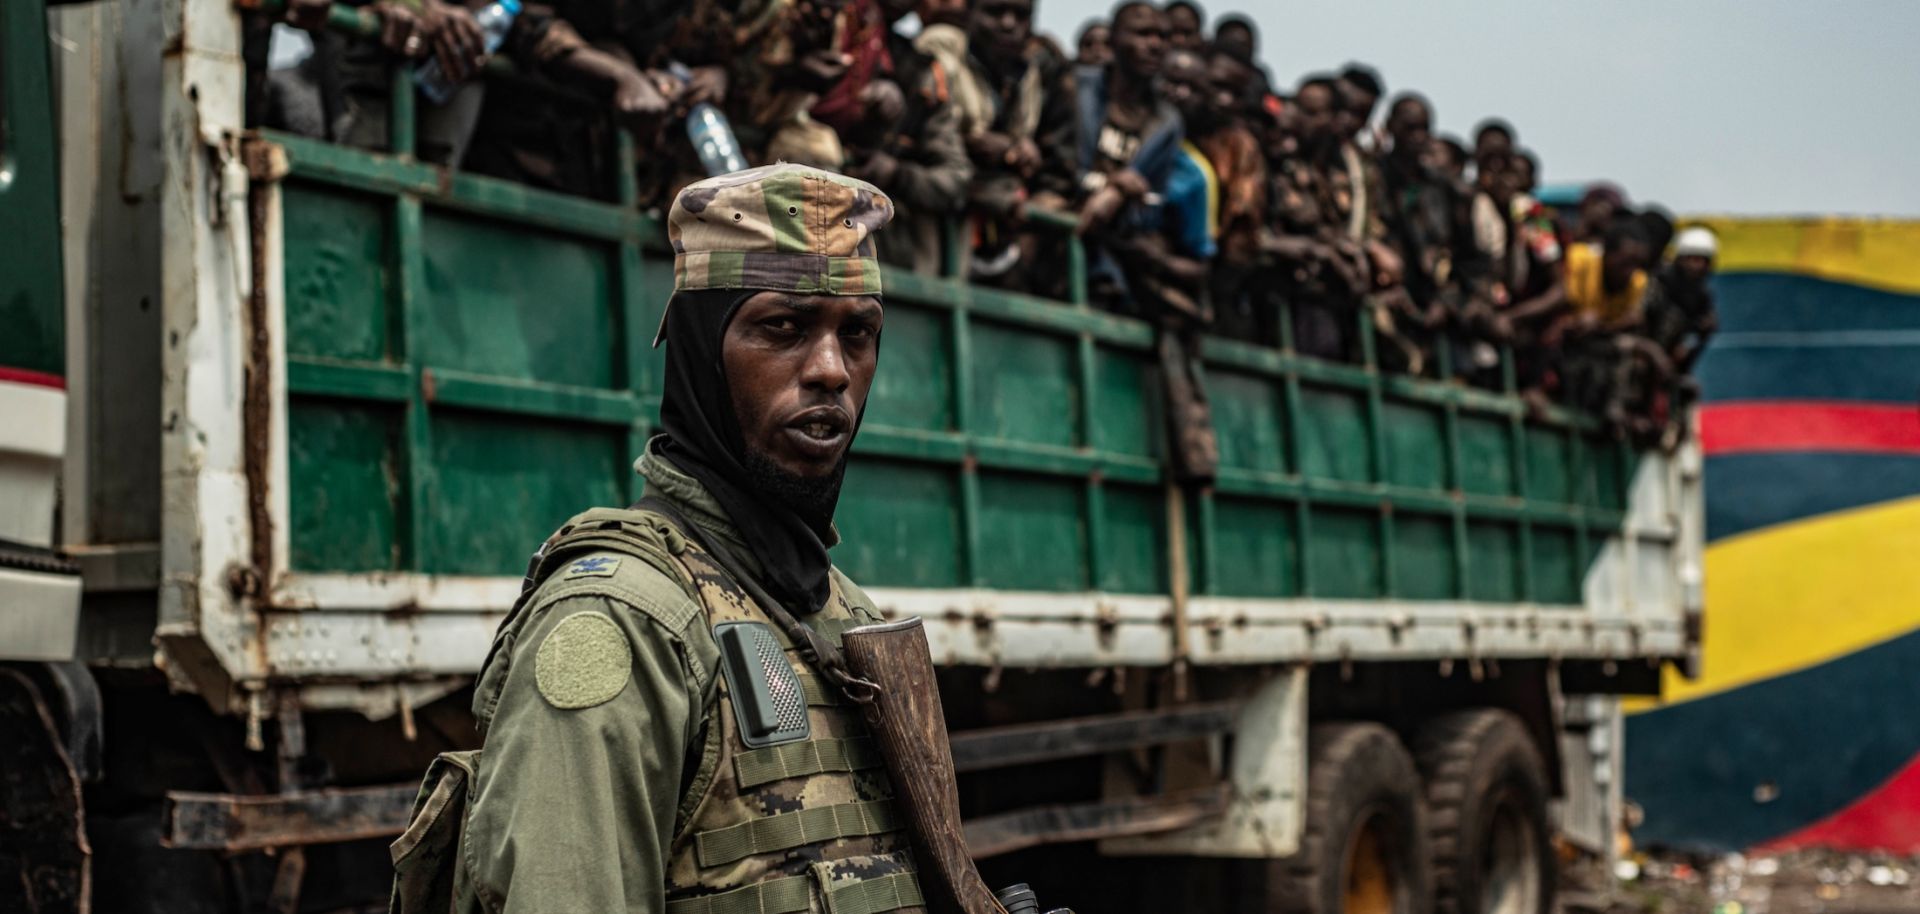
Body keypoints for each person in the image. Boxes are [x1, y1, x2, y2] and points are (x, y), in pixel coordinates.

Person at [443, 164, 928, 911]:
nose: (832, 370)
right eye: (783, 328)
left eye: (857, 334)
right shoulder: (621, 622)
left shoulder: (842, 613)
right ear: (702, 353)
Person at [844, 0, 976, 273]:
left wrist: (896, 174)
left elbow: (956, 178)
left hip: (884, 257)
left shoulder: (922, 71)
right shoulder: (825, 26)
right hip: (814, 233)